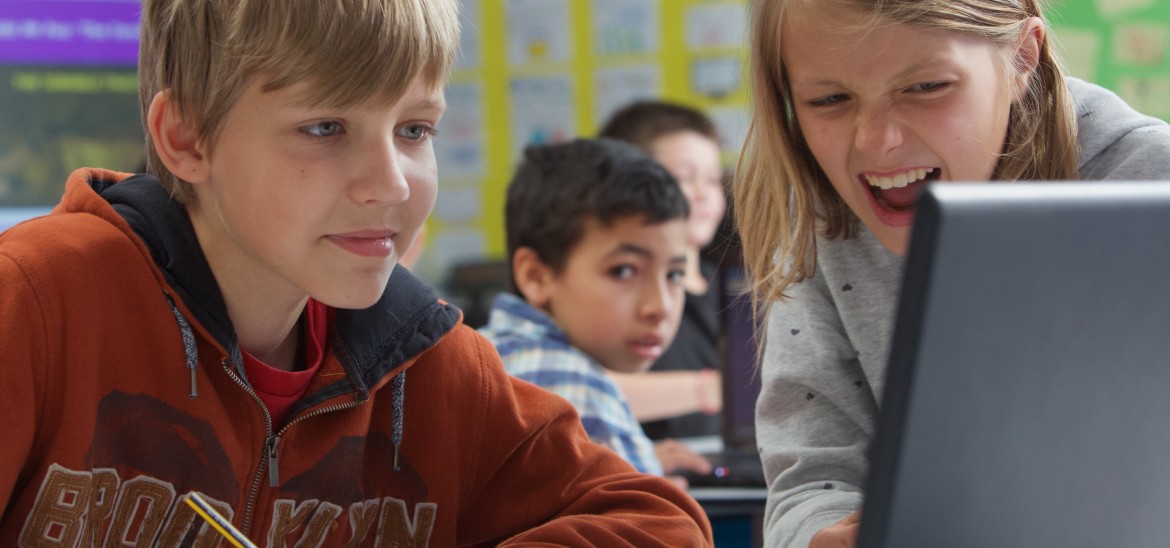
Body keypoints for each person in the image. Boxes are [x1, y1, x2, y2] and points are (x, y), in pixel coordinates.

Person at [0, 1, 714, 546]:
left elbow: (659, 523)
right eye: (325, 128)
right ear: (187, 139)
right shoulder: (34, 301)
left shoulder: (426, 357)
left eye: (414, 131)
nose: (393, 184)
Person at [733, 1, 1170, 547]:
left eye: (926, 88)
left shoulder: (1150, 181)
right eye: (830, 99)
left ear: (1023, 58)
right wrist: (819, 535)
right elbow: (811, 477)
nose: (877, 140)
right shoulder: (825, 219)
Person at [479, 138, 710, 485]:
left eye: (674, 274)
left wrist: (640, 468)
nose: (660, 307)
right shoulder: (576, 394)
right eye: (623, 271)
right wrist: (670, 511)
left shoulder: (487, 352)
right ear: (536, 275)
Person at [598, 100, 728, 447]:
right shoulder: (610, 287)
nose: (703, 194)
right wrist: (713, 389)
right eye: (684, 178)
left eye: (714, 180)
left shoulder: (737, 289)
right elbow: (579, 389)